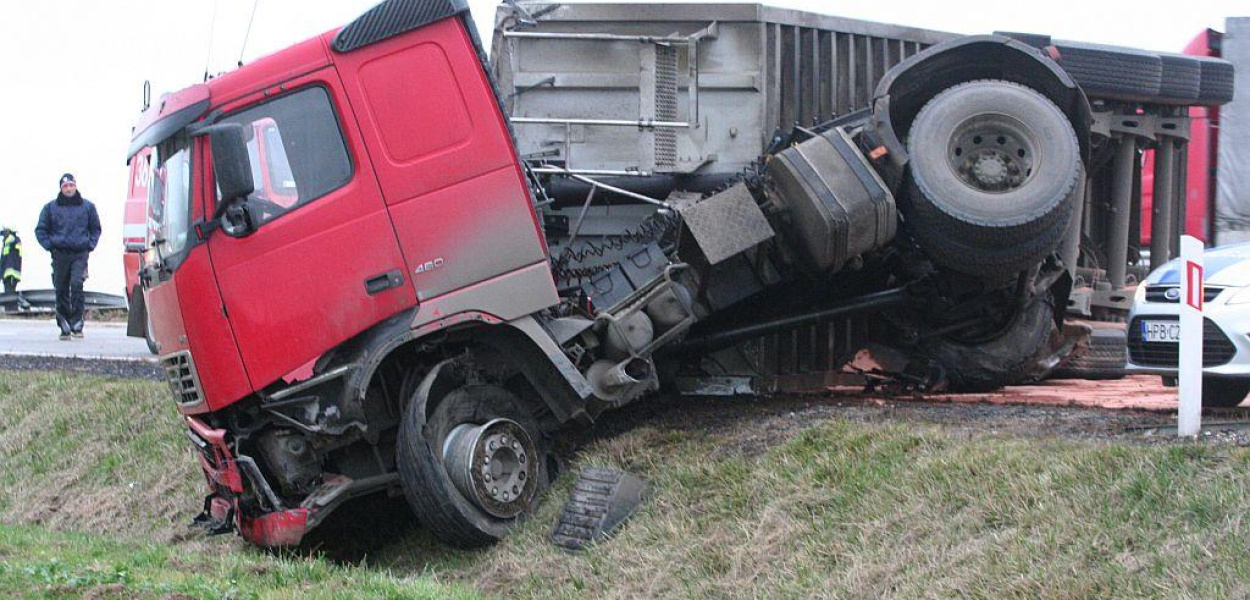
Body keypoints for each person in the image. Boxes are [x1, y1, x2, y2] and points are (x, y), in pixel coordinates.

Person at [35, 173, 101, 340]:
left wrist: (90, 245)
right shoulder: (50, 208)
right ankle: (64, 325)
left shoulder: (88, 207)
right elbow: (40, 230)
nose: (69, 188)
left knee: (77, 284)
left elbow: (95, 228)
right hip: (60, 254)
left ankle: (77, 323)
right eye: (65, 186)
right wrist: (50, 246)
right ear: (61, 188)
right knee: (61, 288)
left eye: (71, 185)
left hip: (80, 253)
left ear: (75, 186)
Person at [1, 224, 23, 313]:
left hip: (11, 273)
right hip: (9, 274)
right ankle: (10, 310)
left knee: (9, 294)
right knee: (9, 293)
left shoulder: (12, 241)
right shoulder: (10, 242)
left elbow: (5, 260)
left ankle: (11, 311)